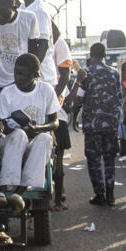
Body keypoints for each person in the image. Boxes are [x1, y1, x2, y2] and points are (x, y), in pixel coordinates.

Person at [0, 53, 59, 212]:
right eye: (16, 72)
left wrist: (38, 129)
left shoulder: (46, 90)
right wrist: (19, 128)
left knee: (45, 138)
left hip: (33, 145)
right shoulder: (7, 92)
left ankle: (19, 193)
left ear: (35, 75)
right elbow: (1, 124)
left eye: (23, 74)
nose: (18, 77)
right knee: (20, 135)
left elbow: (55, 122)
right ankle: (7, 187)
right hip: (9, 144)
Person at [74, 43, 123, 206]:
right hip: (110, 123)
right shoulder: (114, 73)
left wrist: (74, 116)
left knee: (94, 160)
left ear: (90, 54)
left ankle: (99, 194)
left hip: (93, 124)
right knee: (109, 159)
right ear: (105, 55)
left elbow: (79, 98)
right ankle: (111, 194)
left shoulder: (86, 73)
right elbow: (119, 97)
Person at [50, 23, 74, 211]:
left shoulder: (57, 44)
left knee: (56, 159)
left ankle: (58, 197)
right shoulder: (58, 44)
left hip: (56, 113)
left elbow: (65, 76)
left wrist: (52, 102)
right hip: (58, 112)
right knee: (56, 159)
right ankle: (59, 198)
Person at [18, 0, 51, 72]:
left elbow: (43, 44)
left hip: (41, 74)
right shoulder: (23, 7)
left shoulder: (39, 10)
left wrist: (33, 70)